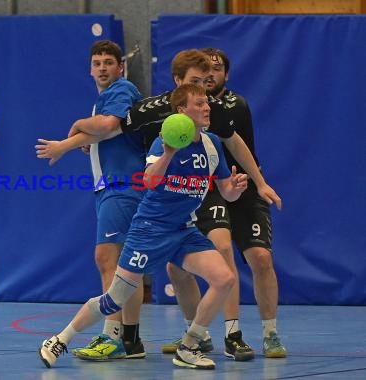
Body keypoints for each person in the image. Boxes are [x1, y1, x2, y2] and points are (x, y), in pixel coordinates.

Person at [39, 83, 248, 370]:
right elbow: (149, 180)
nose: (206, 107)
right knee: (114, 299)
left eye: (206, 103)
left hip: (184, 231)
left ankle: (189, 346)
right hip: (150, 230)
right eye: (199, 104)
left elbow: (226, 192)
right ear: (181, 111)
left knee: (224, 278)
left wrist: (236, 187)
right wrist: (170, 154)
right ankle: (60, 340)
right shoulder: (163, 142)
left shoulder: (212, 145)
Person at [162, 48, 287, 359]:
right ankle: (206, 334)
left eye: (215, 71)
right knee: (189, 260)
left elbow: (235, 143)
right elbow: (126, 128)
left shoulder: (230, 107)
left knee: (260, 258)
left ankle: (269, 332)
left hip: (239, 185)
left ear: (224, 75)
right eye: (203, 74)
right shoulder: (176, 111)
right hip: (208, 189)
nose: (210, 77)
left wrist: (260, 183)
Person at [35, 40, 147, 360]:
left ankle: (111, 336)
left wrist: (68, 137)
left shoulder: (121, 90)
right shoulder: (107, 99)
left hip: (121, 186)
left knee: (106, 258)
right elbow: (105, 131)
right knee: (125, 266)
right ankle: (131, 339)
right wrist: (80, 139)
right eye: (97, 63)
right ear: (90, 69)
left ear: (120, 67)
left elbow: (107, 125)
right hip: (113, 187)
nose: (102, 68)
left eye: (108, 62)